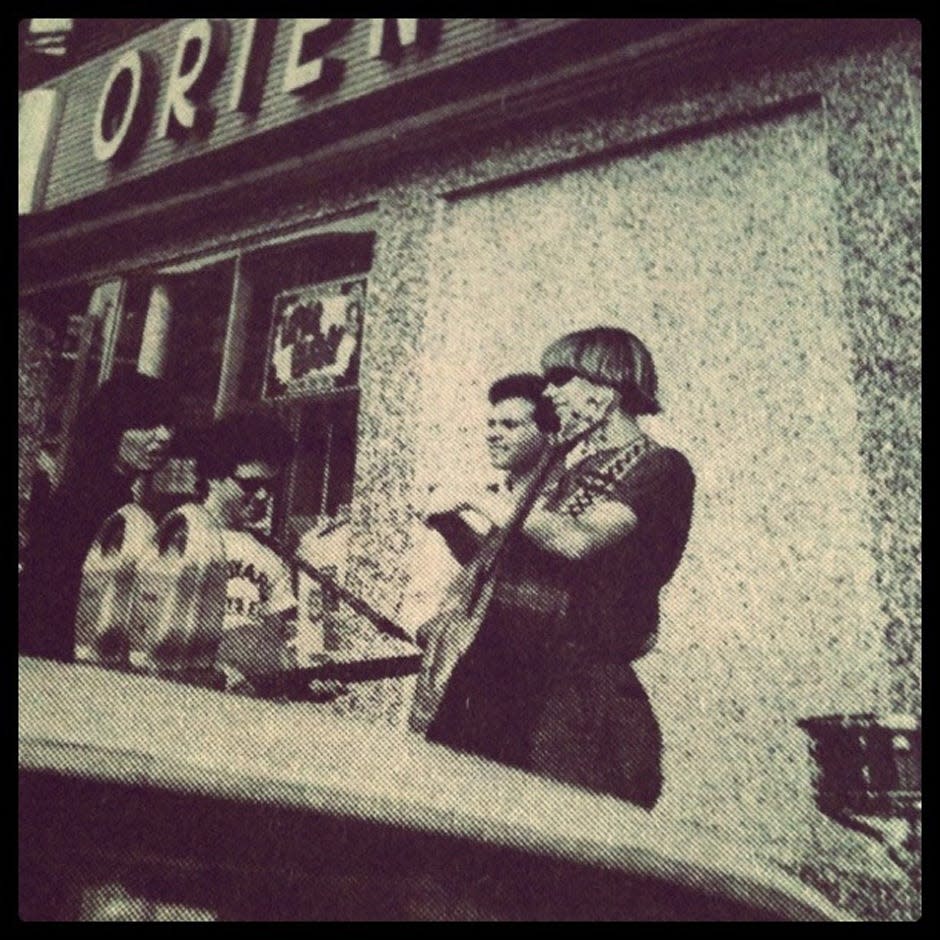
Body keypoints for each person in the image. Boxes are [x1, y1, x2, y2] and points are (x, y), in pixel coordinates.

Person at [413, 327, 695, 810]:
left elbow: (575, 540)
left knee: (562, 843)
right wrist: (452, 526)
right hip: (523, 682)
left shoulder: (660, 467)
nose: (549, 393)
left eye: (562, 379)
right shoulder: (575, 470)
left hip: (581, 695)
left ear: (608, 387)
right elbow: (518, 568)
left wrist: (477, 499)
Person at [18, 372, 179, 662]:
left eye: (167, 424)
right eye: (146, 425)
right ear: (112, 429)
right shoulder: (88, 501)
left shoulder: (105, 493)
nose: (163, 436)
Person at [400, 373, 552, 635]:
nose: (493, 434)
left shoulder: (563, 498)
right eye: (491, 424)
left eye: (509, 425)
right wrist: (448, 525)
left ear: (548, 432)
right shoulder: (486, 499)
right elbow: (484, 567)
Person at [194, 412, 300, 690]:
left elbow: (278, 642)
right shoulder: (180, 534)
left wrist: (303, 678)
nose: (263, 496)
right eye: (251, 485)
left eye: (270, 486)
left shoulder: (270, 558)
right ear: (214, 476)